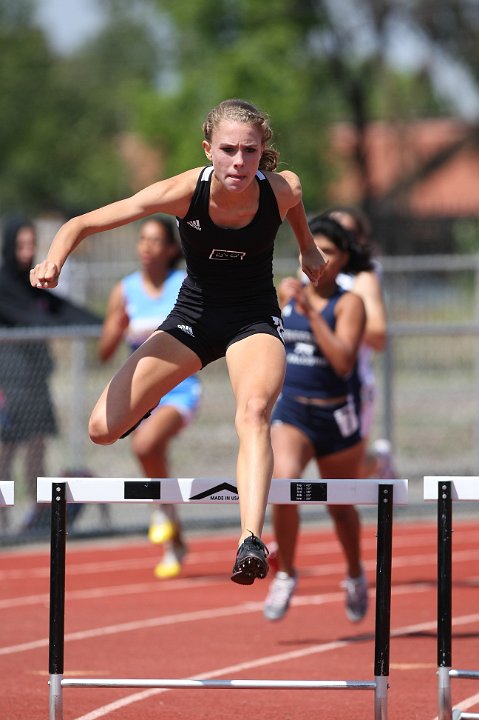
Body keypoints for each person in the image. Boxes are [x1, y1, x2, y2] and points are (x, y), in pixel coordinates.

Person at [30, 98, 327, 585]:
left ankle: (250, 538)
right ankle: (149, 401)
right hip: (193, 318)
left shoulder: (281, 187)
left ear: (261, 153)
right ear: (208, 150)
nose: (238, 162)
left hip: (253, 319)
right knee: (102, 429)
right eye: (228, 150)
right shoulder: (182, 192)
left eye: (249, 152)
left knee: (253, 412)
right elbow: (80, 223)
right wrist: (53, 262)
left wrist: (309, 249)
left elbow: (293, 208)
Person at [263, 214, 368, 621]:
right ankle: (286, 571)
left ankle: (356, 574)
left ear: (343, 259)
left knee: (341, 507)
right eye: (314, 249)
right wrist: (283, 305)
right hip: (293, 411)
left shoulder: (350, 302)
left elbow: (343, 361)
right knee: (283, 485)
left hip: (336, 416)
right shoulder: (286, 296)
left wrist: (308, 312)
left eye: (331, 252)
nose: (320, 259)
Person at [99, 216, 201, 578]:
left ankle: (161, 508)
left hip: (180, 390)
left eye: (155, 240)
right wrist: (118, 324)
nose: (146, 247)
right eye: (142, 239)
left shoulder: (183, 285)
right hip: (142, 395)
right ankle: (175, 536)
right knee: (150, 450)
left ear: (171, 248)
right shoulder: (124, 290)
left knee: (145, 445)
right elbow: (105, 352)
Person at [0, 217, 101, 533]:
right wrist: (57, 324)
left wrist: (104, 325)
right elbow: (31, 316)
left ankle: (35, 518)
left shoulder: (33, 285)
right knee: (5, 453)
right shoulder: (3, 285)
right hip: (8, 382)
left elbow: (60, 309)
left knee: (37, 452)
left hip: (36, 382)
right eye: (21, 245)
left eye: (32, 245)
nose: (27, 251)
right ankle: (3, 521)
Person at [326, 206, 395, 480]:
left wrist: (339, 320)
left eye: (349, 232)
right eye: (334, 231)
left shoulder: (364, 275)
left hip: (352, 382)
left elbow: (378, 336)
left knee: (345, 474)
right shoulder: (308, 270)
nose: (340, 238)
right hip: (312, 379)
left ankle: (377, 461)